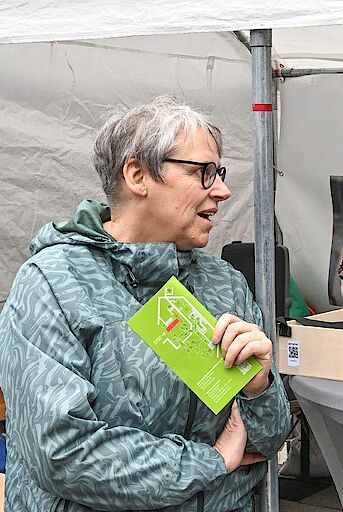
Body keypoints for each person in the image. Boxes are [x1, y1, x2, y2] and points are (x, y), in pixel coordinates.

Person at [0, 96, 292, 511]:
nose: (223, 191)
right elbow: (61, 453)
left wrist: (259, 388)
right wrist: (210, 461)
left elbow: (268, 441)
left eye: (220, 173)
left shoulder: (223, 284)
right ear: (137, 175)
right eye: (204, 172)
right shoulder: (53, 284)